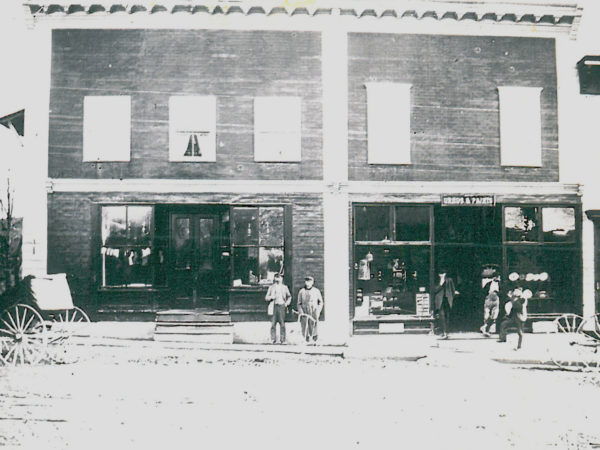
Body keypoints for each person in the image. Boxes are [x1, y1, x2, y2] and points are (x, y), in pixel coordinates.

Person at [265, 273, 291, 344]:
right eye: (276, 277)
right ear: (274, 279)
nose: (278, 279)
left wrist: (286, 303)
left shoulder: (284, 287)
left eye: (279, 277)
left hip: (282, 306)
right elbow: (266, 297)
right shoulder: (271, 287)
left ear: (282, 279)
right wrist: (271, 297)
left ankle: (283, 340)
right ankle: (273, 339)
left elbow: (289, 296)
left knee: (282, 323)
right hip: (274, 306)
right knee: (273, 324)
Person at [297, 276, 324, 344]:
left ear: (312, 282)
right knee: (305, 325)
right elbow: (299, 303)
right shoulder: (301, 291)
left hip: (314, 310)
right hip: (305, 310)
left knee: (314, 324)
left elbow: (320, 302)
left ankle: (315, 340)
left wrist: (318, 310)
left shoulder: (316, 291)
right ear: (305, 282)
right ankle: (307, 340)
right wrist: (301, 312)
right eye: (307, 281)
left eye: (310, 281)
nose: (308, 283)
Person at [433, 269, 458, 339]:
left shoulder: (449, 280)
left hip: (447, 299)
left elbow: (452, 289)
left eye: (443, 273)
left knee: (447, 315)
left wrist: (453, 295)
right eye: (441, 274)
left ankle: (446, 331)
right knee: (442, 315)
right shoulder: (436, 281)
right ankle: (444, 331)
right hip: (440, 300)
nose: (442, 275)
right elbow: (434, 290)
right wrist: (441, 283)